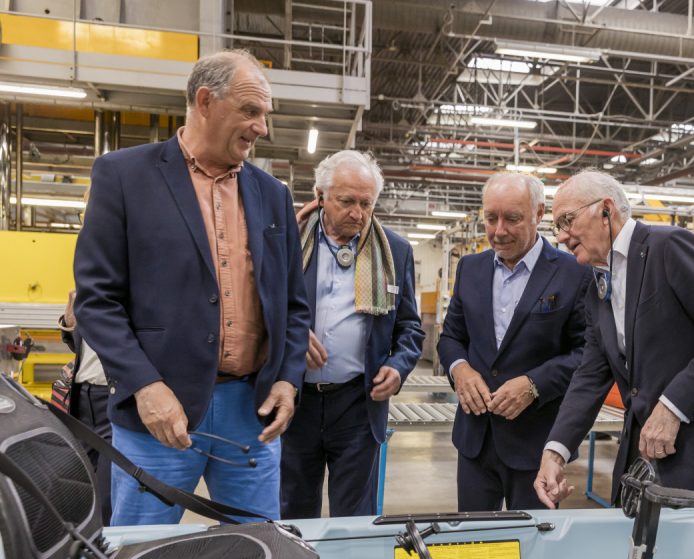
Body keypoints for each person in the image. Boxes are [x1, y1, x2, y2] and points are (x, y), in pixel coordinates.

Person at [73, 49, 310, 525]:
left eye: (264, 114)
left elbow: (294, 305)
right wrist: (145, 386)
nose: (261, 127)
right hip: (159, 413)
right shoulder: (124, 176)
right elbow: (96, 299)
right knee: (141, 549)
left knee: (260, 546)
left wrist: (287, 379)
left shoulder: (273, 195)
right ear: (205, 101)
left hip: (251, 412)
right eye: (250, 110)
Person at [534, 171, 694, 510]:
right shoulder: (598, 283)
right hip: (642, 458)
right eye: (557, 227)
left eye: (567, 221)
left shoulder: (668, 247)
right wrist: (555, 452)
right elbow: (590, 374)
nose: (562, 236)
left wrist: (672, 406)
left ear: (606, 210)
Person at [280, 151, 423, 518]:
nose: (358, 213)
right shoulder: (288, 242)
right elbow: (260, 307)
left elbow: (410, 327)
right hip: (295, 401)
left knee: (355, 516)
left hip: (358, 404)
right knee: (293, 511)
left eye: (366, 203)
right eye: (346, 201)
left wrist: (398, 366)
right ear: (320, 196)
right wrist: (291, 334)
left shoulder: (395, 252)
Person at [437, 172, 590, 511]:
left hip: (537, 445)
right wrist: (460, 369)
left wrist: (535, 384)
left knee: (532, 538)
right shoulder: (470, 268)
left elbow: (587, 353)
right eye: (491, 218)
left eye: (512, 218)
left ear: (539, 214)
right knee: (474, 538)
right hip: (475, 441)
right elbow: (451, 337)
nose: (499, 230)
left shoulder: (574, 272)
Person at [58, 289, 113, 525]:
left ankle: (107, 547)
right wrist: (70, 323)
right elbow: (85, 350)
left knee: (107, 498)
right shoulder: (90, 287)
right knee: (78, 491)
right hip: (82, 398)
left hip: (112, 399)